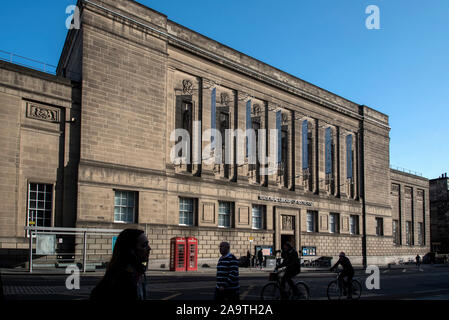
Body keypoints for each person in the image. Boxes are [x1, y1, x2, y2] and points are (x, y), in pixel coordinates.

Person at [90, 228, 151, 300]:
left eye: (148, 244)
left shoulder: (136, 276)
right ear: (130, 250)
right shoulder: (120, 285)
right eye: (144, 245)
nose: (149, 248)